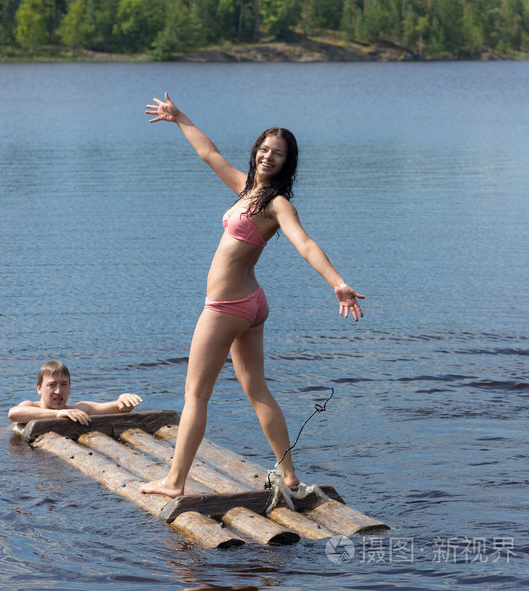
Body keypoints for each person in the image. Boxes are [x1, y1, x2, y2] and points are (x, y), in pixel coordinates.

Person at [139, 92, 364, 499]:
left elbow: (306, 244)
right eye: (263, 149)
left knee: (195, 394)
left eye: (277, 154)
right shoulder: (247, 190)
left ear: (286, 163)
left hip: (227, 307)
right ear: (255, 151)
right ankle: (290, 475)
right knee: (256, 389)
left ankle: (174, 482)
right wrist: (179, 117)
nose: (268, 157)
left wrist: (337, 282)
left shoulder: (277, 205)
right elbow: (209, 153)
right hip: (251, 304)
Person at [8, 361, 143, 424]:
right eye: (52, 385)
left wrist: (124, 399)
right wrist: (58, 414)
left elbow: (117, 408)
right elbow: (13, 414)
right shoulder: (30, 406)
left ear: (70, 388)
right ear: (39, 389)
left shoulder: (78, 409)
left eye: (64, 385)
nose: (58, 391)